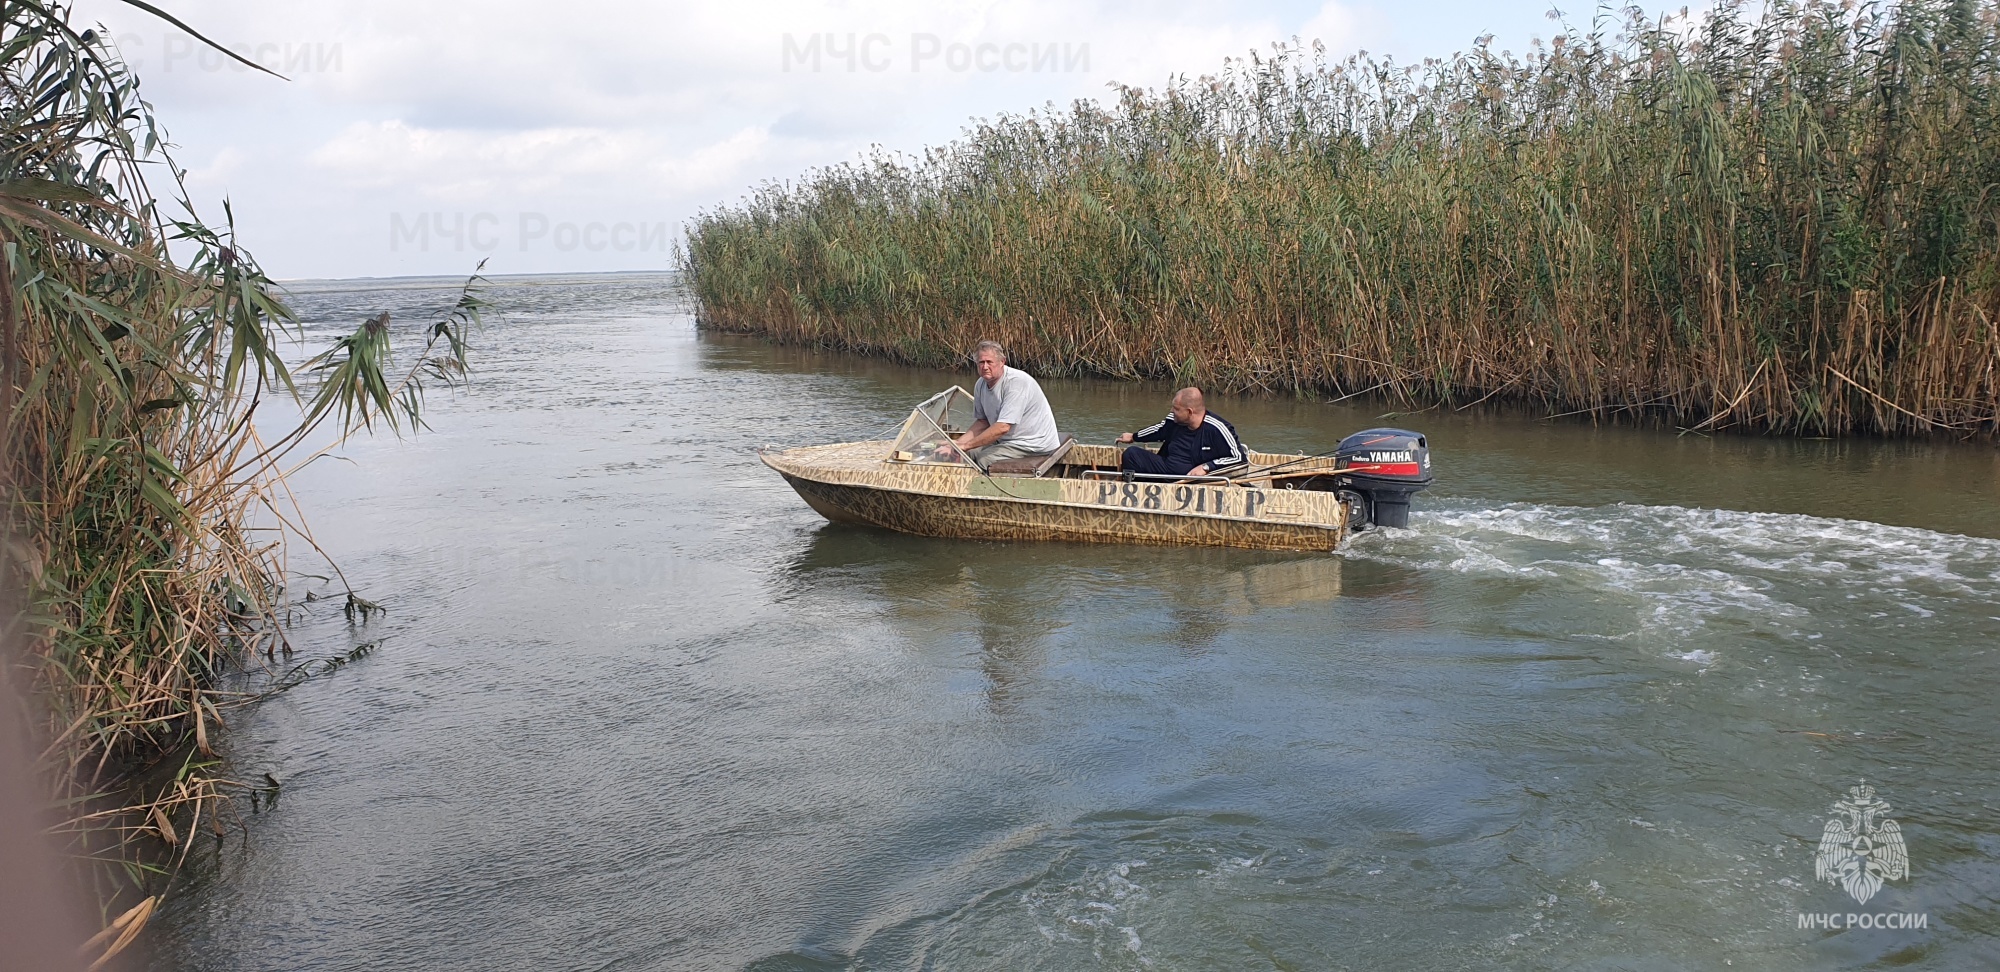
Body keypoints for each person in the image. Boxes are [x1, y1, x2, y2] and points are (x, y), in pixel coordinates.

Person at [944, 340, 1063, 464]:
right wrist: (957, 445)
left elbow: (1003, 427)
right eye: (981, 362)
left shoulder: (1015, 382)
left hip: (1033, 444)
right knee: (966, 453)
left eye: (989, 362)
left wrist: (965, 445)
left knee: (984, 460)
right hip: (1007, 440)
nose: (985, 367)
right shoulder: (980, 384)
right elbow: (983, 422)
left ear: (1002, 362)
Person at [1116, 387, 1247, 478]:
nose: (1172, 411)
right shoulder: (1174, 420)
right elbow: (1158, 430)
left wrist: (1206, 467)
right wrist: (1133, 436)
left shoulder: (1218, 428)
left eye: (1176, 409)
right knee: (1131, 454)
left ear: (1189, 412)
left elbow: (1239, 458)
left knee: (1132, 454)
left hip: (1190, 480)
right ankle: (1136, 489)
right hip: (1165, 468)